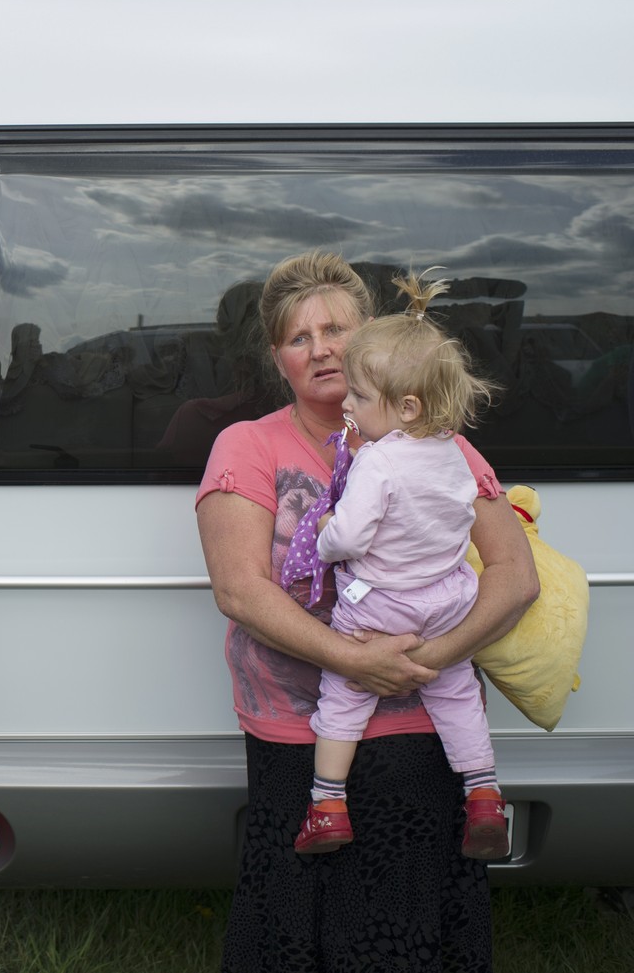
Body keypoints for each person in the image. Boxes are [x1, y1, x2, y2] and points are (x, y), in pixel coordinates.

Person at [195, 250, 537, 972]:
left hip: (423, 738)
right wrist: (355, 660)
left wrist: (429, 659)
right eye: (298, 336)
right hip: (298, 736)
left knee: (408, 931)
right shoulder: (247, 445)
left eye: (336, 329)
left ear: (371, 338)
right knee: (296, 927)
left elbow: (515, 575)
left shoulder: (444, 443)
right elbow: (240, 590)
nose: (320, 348)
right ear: (276, 356)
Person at [285, 271, 508, 860]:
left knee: (345, 692)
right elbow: (460, 523)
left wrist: (328, 538)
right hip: (449, 598)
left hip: (384, 604)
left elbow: (354, 534)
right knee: (457, 690)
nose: (348, 406)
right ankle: (484, 796)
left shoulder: (380, 461)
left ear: (407, 406)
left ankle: (327, 804)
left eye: (359, 397)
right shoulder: (452, 452)